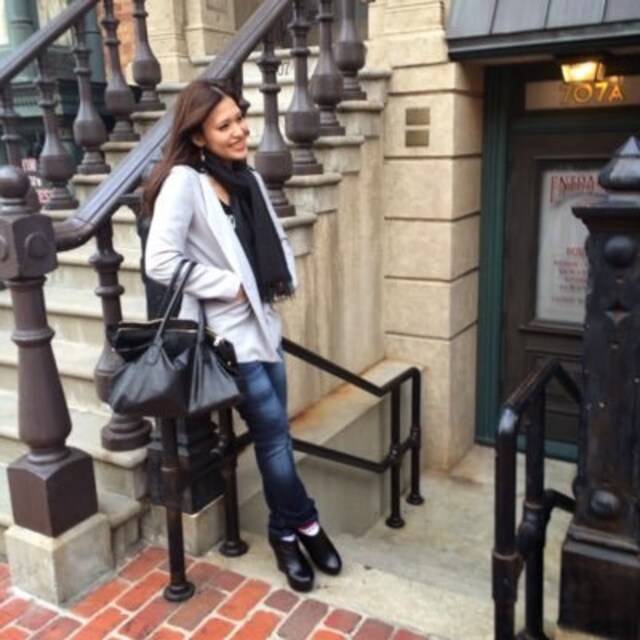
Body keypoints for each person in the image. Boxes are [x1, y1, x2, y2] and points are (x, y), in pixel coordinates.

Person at [143, 79, 341, 593]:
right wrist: (226, 286)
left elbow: (272, 241)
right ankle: (305, 526)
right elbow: (159, 261)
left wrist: (274, 279)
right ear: (199, 135)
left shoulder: (245, 177)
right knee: (273, 434)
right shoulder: (185, 182)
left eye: (239, 119)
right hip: (227, 338)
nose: (239, 131)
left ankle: (285, 530)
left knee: (279, 435)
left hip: (264, 328)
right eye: (224, 125)